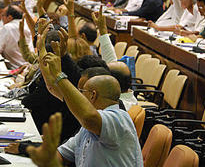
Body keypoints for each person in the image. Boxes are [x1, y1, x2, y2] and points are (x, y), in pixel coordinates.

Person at [32, 22, 143, 166]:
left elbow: (88, 117)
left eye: (81, 91)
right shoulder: (87, 128)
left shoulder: (118, 119)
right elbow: (60, 155)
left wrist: (59, 75)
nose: (77, 95)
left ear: (93, 95)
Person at [0, 4, 34, 69]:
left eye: (3, 15)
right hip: (28, 66)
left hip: (14, 68)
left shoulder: (8, 27)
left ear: (10, 18)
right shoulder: (27, 25)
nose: (1, 18)